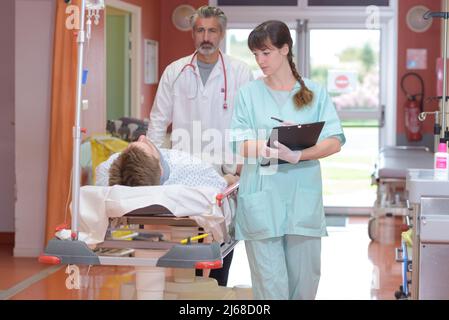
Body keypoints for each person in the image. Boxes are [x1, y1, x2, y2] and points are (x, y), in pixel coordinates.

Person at [229, 20, 346, 300]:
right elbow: (239, 142)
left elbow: (335, 140)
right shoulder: (248, 94)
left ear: (285, 49)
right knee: (270, 290)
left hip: (301, 203)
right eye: (255, 54)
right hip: (262, 202)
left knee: (304, 287)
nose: (259, 60)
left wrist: (300, 153)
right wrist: (271, 146)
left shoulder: (314, 93)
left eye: (265, 53)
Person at [147, 5, 253, 286]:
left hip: (225, 167)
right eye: (200, 30)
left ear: (221, 33)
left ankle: (217, 288)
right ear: (193, 33)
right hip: (185, 167)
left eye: (212, 30)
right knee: (188, 234)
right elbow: (158, 121)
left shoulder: (240, 72)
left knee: (224, 235)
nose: (206, 36)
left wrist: (244, 161)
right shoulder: (176, 71)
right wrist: (153, 163)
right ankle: (191, 288)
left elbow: (249, 122)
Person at [95, 135, 236, 190]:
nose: (143, 136)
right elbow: (220, 184)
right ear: (160, 170)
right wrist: (230, 179)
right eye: (147, 144)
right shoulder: (194, 170)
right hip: (214, 166)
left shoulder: (106, 170)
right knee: (230, 178)